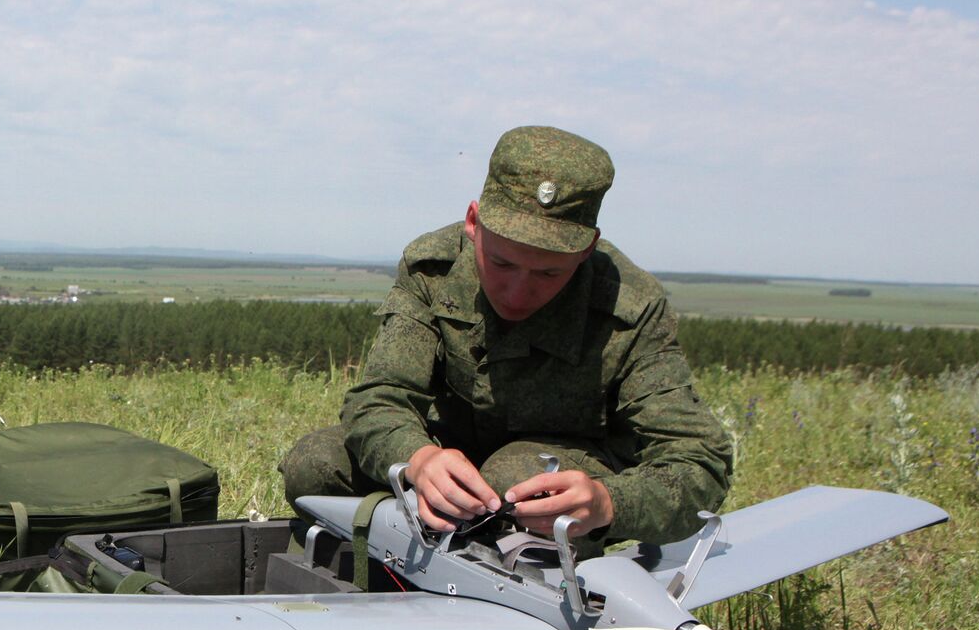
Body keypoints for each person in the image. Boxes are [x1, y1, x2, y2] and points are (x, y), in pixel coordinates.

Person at [280, 125, 730, 548]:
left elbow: (699, 463)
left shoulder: (628, 307)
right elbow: (380, 397)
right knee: (316, 465)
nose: (517, 292)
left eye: (549, 272)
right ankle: (378, 588)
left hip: (553, 483)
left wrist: (609, 503)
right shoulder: (433, 270)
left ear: (587, 249)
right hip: (449, 456)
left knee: (515, 478)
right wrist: (416, 459)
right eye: (502, 264)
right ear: (473, 223)